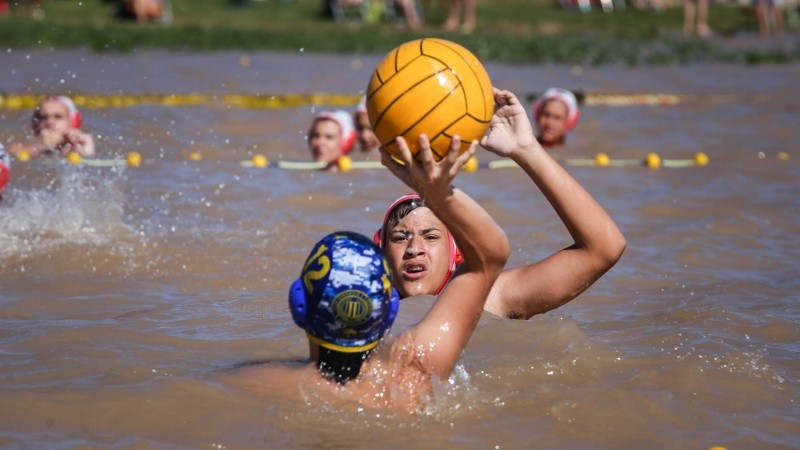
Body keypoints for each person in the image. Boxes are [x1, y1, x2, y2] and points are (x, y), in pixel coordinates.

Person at [226, 135, 510, 413]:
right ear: (389, 311)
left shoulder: (254, 382)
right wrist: (435, 189)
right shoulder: (414, 373)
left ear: (298, 306)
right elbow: (491, 253)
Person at [375, 88, 626, 320]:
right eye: (399, 238)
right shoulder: (364, 311)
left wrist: (527, 151)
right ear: (382, 254)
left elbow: (603, 249)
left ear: (457, 254)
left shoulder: (486, 301)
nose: (413, 249)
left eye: (430, 237)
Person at [7, 96, 96, 160]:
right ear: (36, 126)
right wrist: (37, 146)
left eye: (58, 116)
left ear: (72, 122)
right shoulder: (22, 148)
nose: (50, 122)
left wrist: (86, 151)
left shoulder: (81, 142)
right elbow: (8, 154)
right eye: (43, 117)